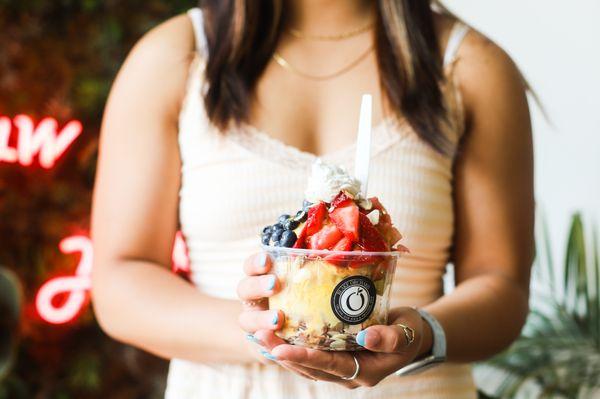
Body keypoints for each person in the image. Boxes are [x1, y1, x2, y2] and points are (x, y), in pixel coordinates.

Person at [91, 1, 534, 398]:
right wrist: (269, 331)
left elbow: (502, 289)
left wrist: (421, 335)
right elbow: (120, 281)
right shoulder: (173, 57)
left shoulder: (470, 64)